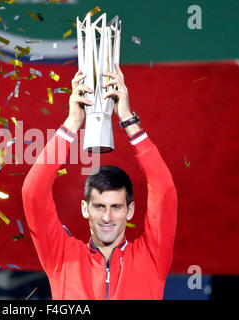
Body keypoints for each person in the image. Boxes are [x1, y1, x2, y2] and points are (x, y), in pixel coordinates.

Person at [22, 65, 177, 300]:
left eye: (116, 207)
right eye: (99, 207)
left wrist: (126, 118)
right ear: (85, 209)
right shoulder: (61, 257)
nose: (107, 217)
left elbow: (164, 190)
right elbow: (33, 192)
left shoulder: (151, 257)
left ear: (130, 210)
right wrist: (73, 122)